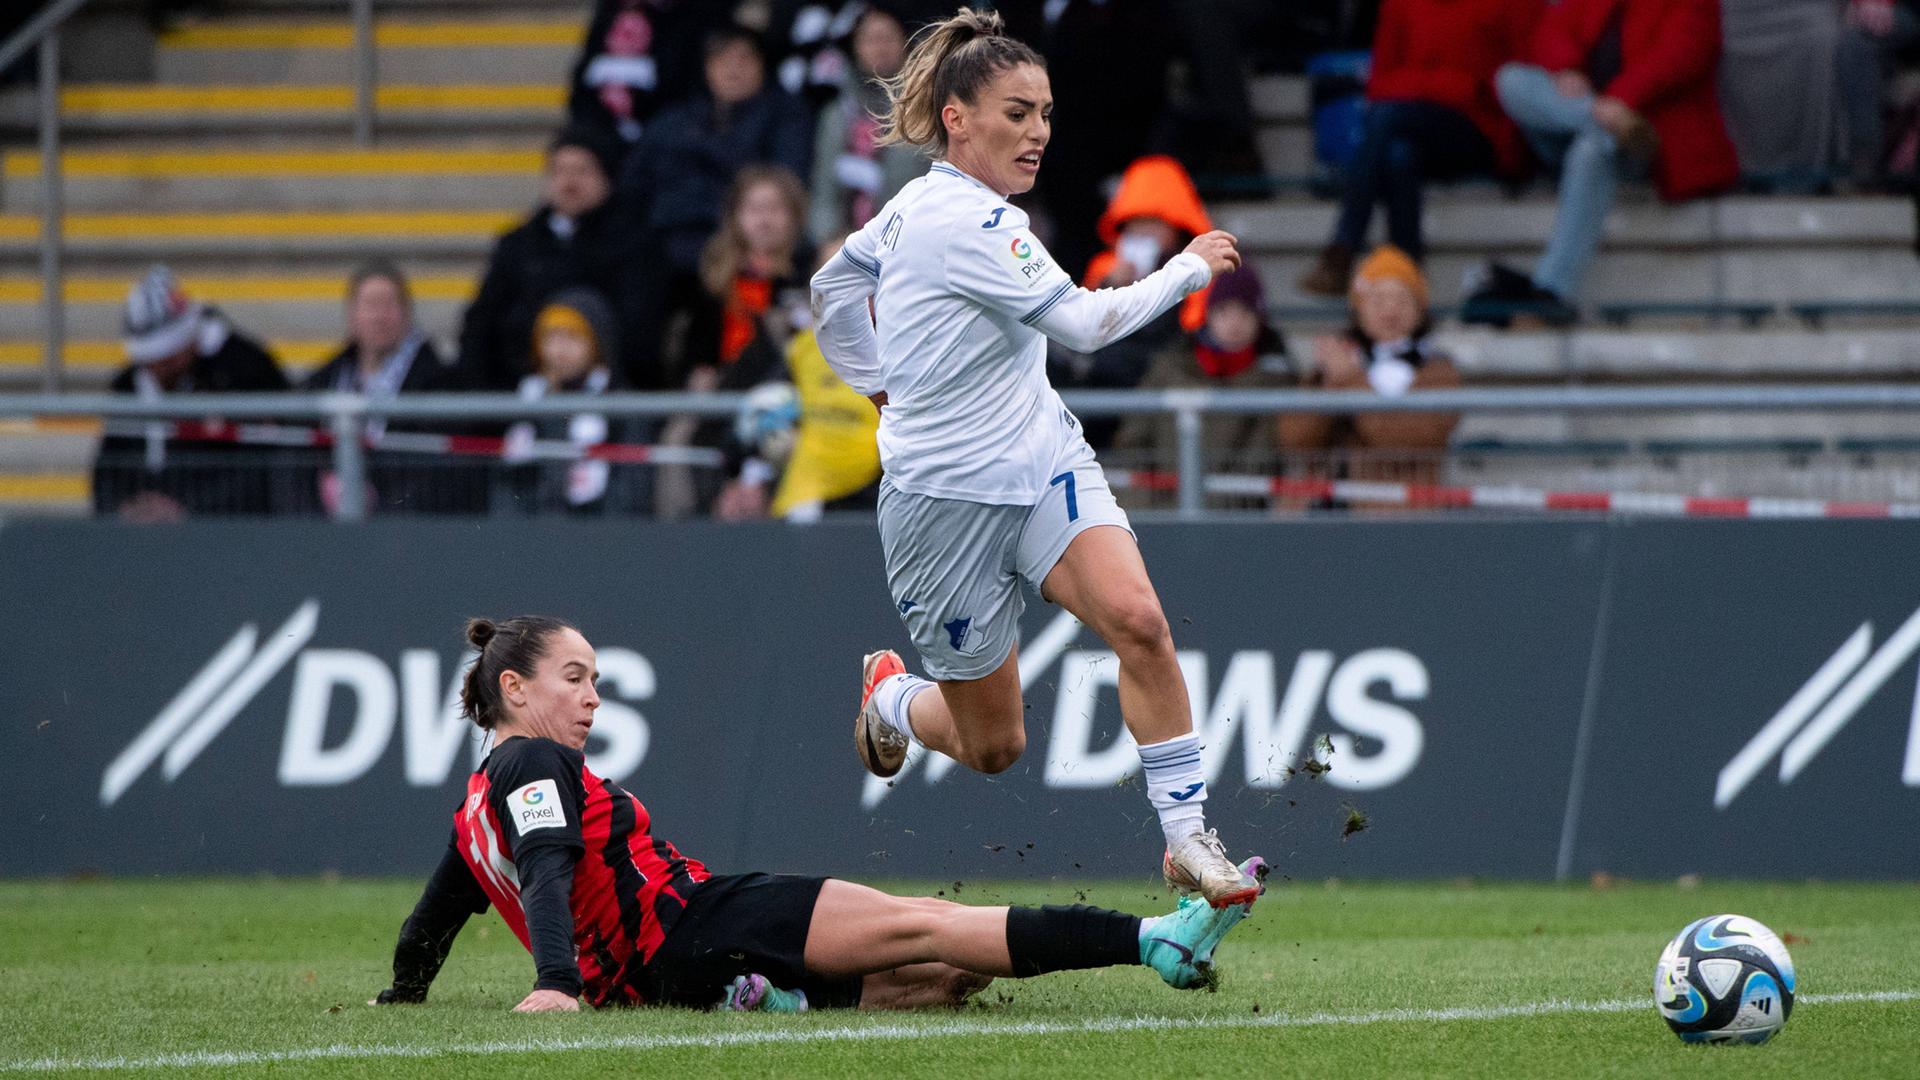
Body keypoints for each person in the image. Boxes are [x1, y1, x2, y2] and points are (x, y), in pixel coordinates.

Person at [808, 8, 1262, 907]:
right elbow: (1088, 325)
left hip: (1042, 461)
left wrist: (876, 386)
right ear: (957, 119)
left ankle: (1186, 839)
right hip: (942, 506)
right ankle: (893, 699)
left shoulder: (918, 212)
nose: (1039, 132)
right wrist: (1190, 268)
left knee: (1139, 621)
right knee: (993, 747)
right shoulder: (965, 223)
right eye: (1016, 113)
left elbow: (831, 287)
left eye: (1046, 113)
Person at [370, 616, 1266, 1012]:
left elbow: (431, 922)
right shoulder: (534, 760)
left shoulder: (472, 812)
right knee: (931, 921)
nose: (594, 698)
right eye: (576, 679)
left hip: (656, 983)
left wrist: (403, 994)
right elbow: (549, 869)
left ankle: (766, 1001)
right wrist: (554, 986)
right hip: (698, 922)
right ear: (514, 687)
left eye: (598, 680)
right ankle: (1156, 940)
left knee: (946, 982)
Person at [1462, 0, 1738, 327]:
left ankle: (1550, 290)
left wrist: (1622, 98)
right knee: (1512, 81)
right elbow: (1554, 28)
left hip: (1650, 134)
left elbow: (1684, 53)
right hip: (1580, 123)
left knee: (1592, 150)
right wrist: (1567, 69)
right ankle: (1605, 127)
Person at [1296, 0, 1541, 295]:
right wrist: (1446, 87)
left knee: (1388, 119)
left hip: (1478, 132)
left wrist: (1421, 86)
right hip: (1409, 128)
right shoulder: (1399, 5)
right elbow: (1380, 84)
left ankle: (1344, 247)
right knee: (1399, 153)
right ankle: (1406, 279)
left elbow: (1512, 83)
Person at [655, 165, 814, 517]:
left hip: (787, 396)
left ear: (794, 216)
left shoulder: (810, 275)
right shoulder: (712, 280)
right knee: (675, 442)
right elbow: (693, 349)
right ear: (737, 218)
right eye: (754, 210)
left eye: (775, 209)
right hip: (720, 395)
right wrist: (698, 372)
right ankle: (681, 529)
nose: (764, 220)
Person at [458, 128, 656, 393]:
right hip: (517, 392)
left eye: (582, 171)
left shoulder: (635, 244)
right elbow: (482, 321)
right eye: (560, 171)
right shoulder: (518, 244)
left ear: (606, 177)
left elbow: (639, 331)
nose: (569, 182)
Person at [91, 266, 289, 521]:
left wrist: (189, 510)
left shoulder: (245, 369)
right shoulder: (129, 385)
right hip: (143, 536)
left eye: (166, 360)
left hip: (228, 530)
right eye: (149, 362)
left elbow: (267, 465)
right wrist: (124, 509)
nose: (156, 372)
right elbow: (108, 468)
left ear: (187, 342)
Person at [1050, 154, 1217, 450]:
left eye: (1153, 223)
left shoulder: (1199, 269)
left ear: (1176, 226)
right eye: (1134, 224)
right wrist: (1113, 286)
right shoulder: (1106, 268)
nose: (1142, 233)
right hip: (1103, 384)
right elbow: (1081, 326)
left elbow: (1181, 336)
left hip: (1162, 373)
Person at [305, 262, 486, 515]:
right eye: (370, 305)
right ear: (352, 314)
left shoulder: (441, 382)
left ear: (407, 313)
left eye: (388, 305)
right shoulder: (321, 381)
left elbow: (439, 474)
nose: (379, 317)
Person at [1111, 263, 1295, 507]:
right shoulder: (1169, 369)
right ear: (1209, 314)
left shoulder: (1274, 382)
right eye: (1224, 311)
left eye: (1245, 312)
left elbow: (1259, 460)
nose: (1234, 323)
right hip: (1162, 509)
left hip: (1233, 516)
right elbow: (1133, 443)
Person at [1278, 245, 1461, 489]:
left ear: (1420, 310)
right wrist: (1330, 384)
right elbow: (1295, 441)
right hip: (1324, 509)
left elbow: (1412, 442)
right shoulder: (1337, 363)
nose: (1390, 310)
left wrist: (1351, 380)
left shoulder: (1437, 369)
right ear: (1358, 308)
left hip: (1397, 511)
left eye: (1401, 299)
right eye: (1378, 299)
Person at [497, 288, 653, 516]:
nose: (560, 350)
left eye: (573, 337)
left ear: (598, 342)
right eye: (550, 337)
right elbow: (508, 484)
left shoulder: (621, 406)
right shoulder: (528, 401)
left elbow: (632, 488)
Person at [806, 4, 927, 242]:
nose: (880, 47)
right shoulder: (835, 113)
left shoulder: (927, 108)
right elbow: (823, 190)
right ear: (855, 48)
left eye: (888, 38)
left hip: (909, 240)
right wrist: (828, 240)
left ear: (906, 44)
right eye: (870, 39)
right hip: (842, 244)